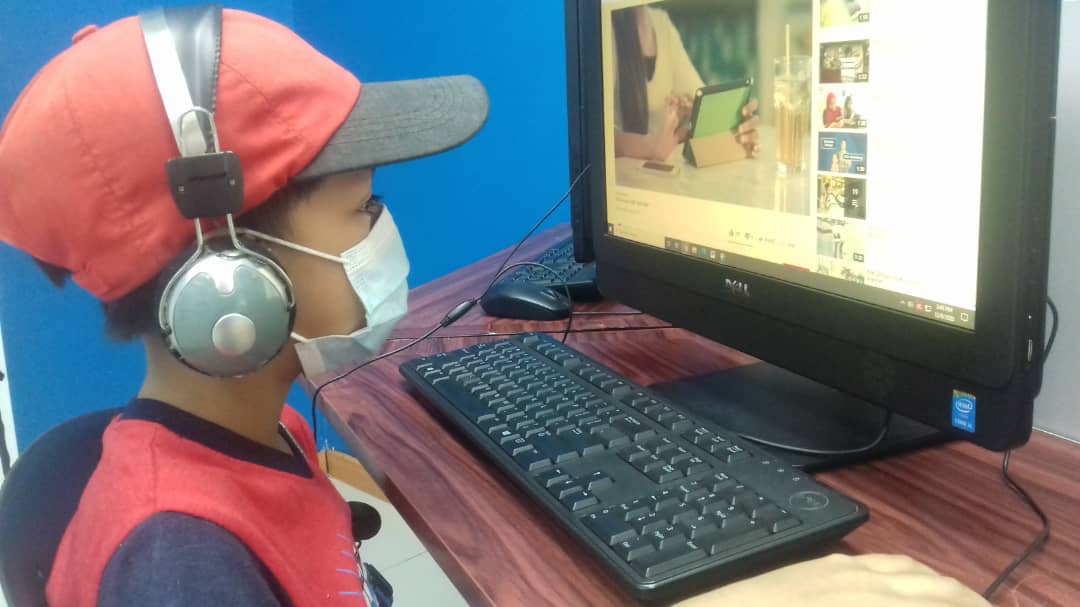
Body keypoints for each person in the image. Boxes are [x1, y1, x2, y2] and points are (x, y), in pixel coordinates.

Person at [0, 7, 990, 607]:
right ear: (229, 282)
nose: (387, 235)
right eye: (363, 208)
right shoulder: (180, 566)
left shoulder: (258, 434)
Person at [610, 5, 758, 162]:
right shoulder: (606, 23)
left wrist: (737, 122)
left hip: (662, 169)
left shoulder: (660, 23)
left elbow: (703, 99)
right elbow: (598, 132)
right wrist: (650, 146)